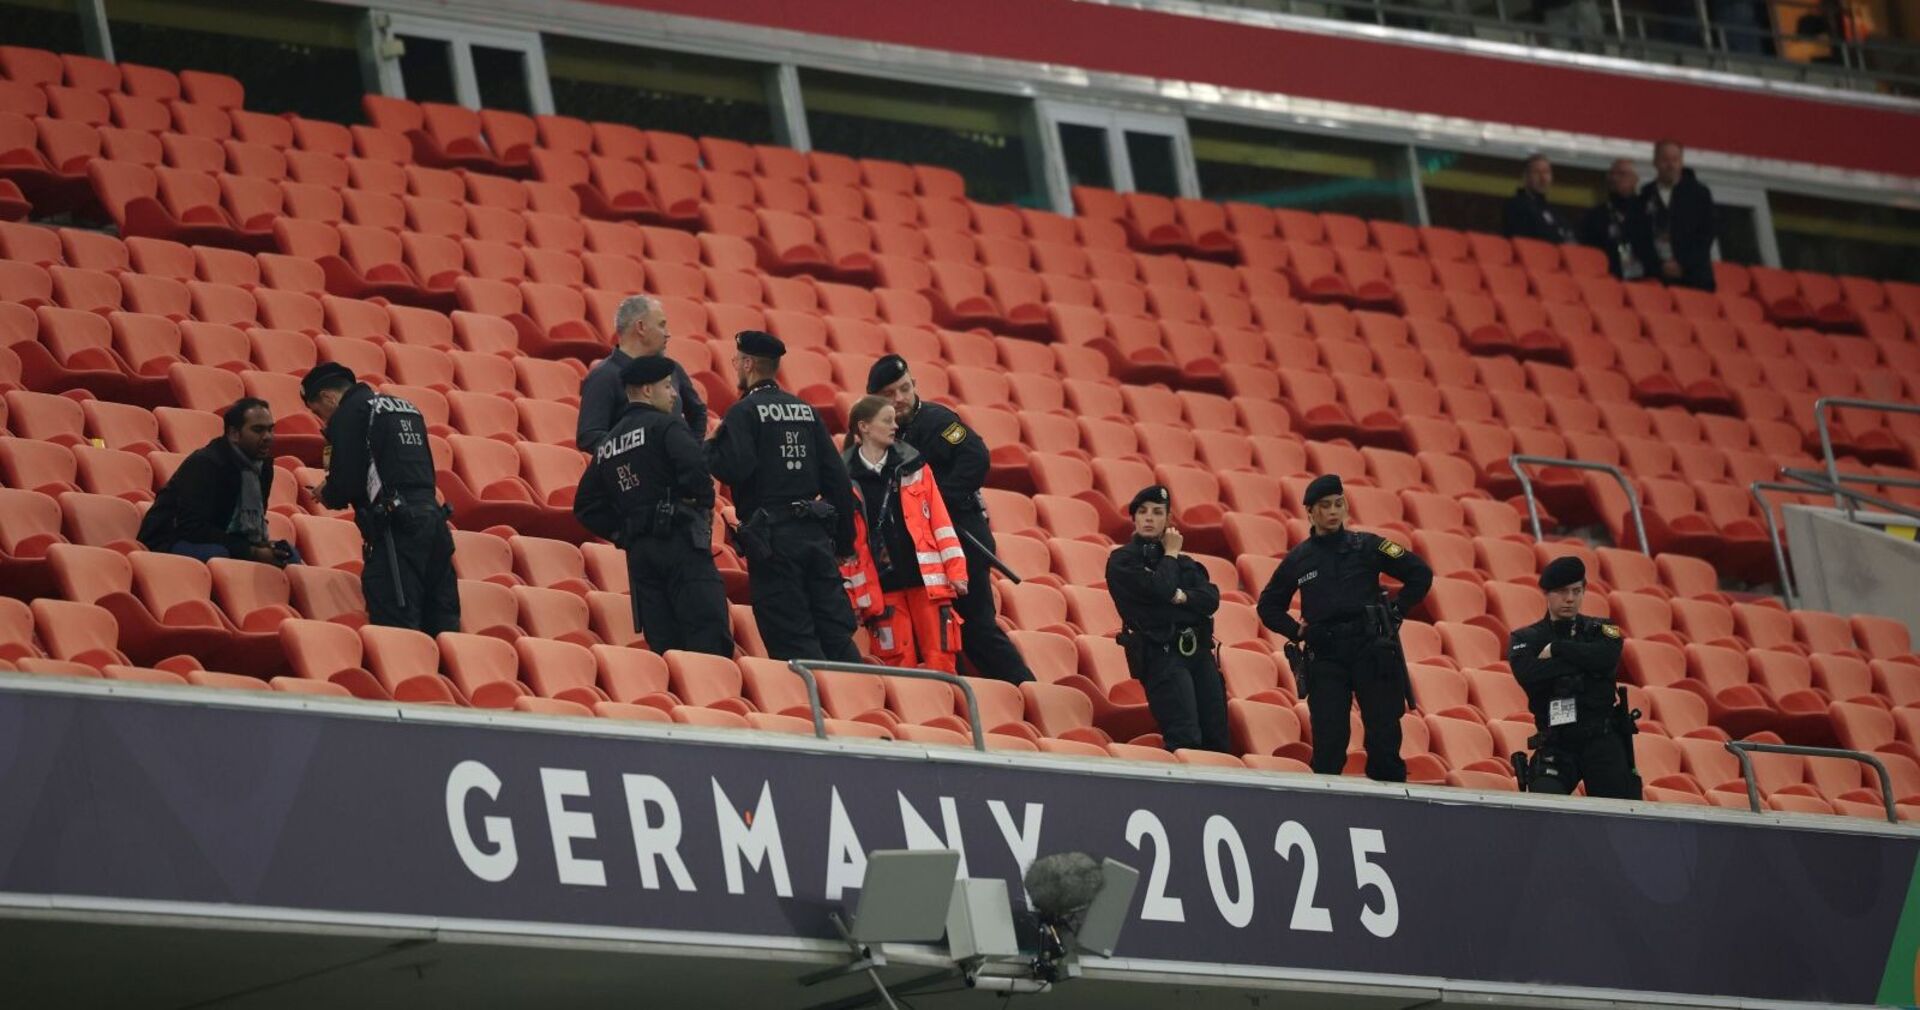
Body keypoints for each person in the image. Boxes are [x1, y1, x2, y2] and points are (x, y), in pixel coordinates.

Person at [868, 354, 1035, 684]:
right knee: (933, 632)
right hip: (915, 556)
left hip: (960, 541)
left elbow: (975, 456)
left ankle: (1027, 691)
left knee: (976, 628)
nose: (900, 399)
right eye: (890, 394)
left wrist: (933, 501)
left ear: (915, 386)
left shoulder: (937, 421)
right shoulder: (873, 438)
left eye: (904, 389)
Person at [1257, 474, 1432, 782]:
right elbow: (1268, 606)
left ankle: (1391, 808)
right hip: (1325, 653)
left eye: (1339, 504)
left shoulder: (1369, 545)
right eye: (1325, 506)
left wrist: (1396, 611)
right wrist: (1298, 632)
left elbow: (1419, 573)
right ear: (1310, 512)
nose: (1334, 511)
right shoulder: (1299, 558)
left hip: (1370, 646)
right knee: (1330, 740)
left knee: (1384, 734)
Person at [706, 330, 861, 663]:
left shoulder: (744, 413)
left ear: (748, 364)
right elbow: (837, 480)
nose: (736, 366)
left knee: (792, 637)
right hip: (815, 536)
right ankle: (857, 705)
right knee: (835, 633)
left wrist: (711, 447)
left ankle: (820, 710)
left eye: (737, 361)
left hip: (774, 542)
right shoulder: (805, 411)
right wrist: (844, 543)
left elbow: (735, 468)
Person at [574, 354, 733, 657]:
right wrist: (693, 509)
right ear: (647, 390)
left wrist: (624, 531)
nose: (674, 394)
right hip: (681, 544)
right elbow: (699, 476)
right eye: (667, 387)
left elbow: (585, 506)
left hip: (641, 555)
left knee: (665, 645)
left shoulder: (609, 443)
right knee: (707, 635)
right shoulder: (667, 427)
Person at [301, 363, 460, 635]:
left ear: (329, 397)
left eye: (319, 411)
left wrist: (327, 493)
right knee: (442, 622)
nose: (323, 419)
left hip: (396, 531)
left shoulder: (349, 413)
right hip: (433, 522)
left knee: (397, 626)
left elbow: (346, 484)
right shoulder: (404, 407)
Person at [838, 395, 969, 673]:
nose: (894, 426)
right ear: (864, 427)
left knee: (942, 659)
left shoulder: (916, 466)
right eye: (887, 420)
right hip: (883, 590)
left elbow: (940, 522)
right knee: (897, 665)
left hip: (927, 583)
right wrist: (852, 596)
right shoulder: (841, 478)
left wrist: (956, 572)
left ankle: (946, 713)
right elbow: (845, 546)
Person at [1106, 485, 1230, 754]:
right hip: (1161, 654)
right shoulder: (1122, 561)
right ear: (1134, 519)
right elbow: (1161, 589)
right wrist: (1171, 556)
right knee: (1186, 737)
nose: (1149, 518)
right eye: (1142, 512)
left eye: (1157, 512)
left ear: (1168, 519)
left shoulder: (1184, 562)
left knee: (1218, 739)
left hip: (1199, 653)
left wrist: (1180, 597)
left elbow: (1210, 599)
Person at [1506, 557, 1642, 799]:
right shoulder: (1526, 637)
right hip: (1557, 742)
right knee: (1543, 806)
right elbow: (1529, 673)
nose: (1570, 598)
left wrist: (1557, 650)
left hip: (1602, 739)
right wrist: (1584, 664)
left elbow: (1607, 658)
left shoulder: (1602, 628)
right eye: (1562, 592)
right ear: (1547, 594)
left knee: (1620, 817)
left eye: (1577, 591)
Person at [137, 397, 300, 566]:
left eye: (270, 429)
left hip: (226, 539)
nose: (268, 437)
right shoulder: (205, 463)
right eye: (258, 430)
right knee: (219, 555)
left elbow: (256, 522)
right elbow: (192, 528)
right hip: (171, 539)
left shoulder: (264, 465)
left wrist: (262, 546)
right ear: (234, 434)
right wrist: (250, 552)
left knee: (289, 554)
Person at [576, 294, 708, 452]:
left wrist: (689, 450)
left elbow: (698, 412)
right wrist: (638, 456)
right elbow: (589, 437)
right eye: (661, 325)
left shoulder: (672, 369)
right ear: (641, 327)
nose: (667, 333)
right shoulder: (603, 376)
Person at [1642, 140, 1717, 291]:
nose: (1670, 165)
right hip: (1658, 278)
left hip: (1695, 279)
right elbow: (1640, 236)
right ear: (1655, 162)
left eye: (1675, 160)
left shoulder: (1699, 193)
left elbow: (1707, 234)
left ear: (1681, 162)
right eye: (1665, 160)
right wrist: (1659, 265)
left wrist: (1682, 263)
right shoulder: (1645, 194)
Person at [1578, 159, 1660, 282]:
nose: (1615, 178)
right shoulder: (1594, 216)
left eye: (1622, 174)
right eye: (1612, 174)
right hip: (1604, 280)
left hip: (1642, 282)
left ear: (1635, 180)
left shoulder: (1647, 214)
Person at [1501, 154, 1573, 244]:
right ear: (1525, 177)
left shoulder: (1554, 212)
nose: (1543, 178)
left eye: (1546, 172)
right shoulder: (1516, 206)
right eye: (1537, 172)